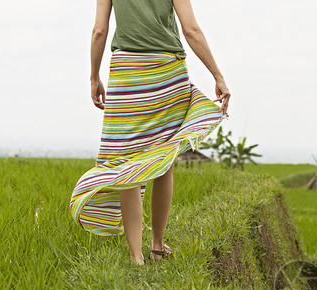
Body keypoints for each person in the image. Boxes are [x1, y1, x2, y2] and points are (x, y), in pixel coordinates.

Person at [70, 0, 231, 265]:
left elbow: (99, 31)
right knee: (163, 159)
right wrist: (218, 76)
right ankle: (157, 246)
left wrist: (94, 77)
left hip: (127, 71)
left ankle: (136, 256)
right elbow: (191, 29)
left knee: (127, 159)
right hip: (167, 70)